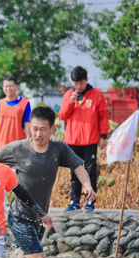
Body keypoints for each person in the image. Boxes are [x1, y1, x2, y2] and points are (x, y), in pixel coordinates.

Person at [0, 107, 97, 258]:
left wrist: (87, 185)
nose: (38, 134)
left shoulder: (58, 148)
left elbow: (78, 167)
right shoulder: (17, 149)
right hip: (19, 214)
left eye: (43, 129)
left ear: (52, 129)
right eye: (34, 129)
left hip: (40, 216)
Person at [58, 66, 109, 212]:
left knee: (91, 171)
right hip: (72, 141)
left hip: (90, 140)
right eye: (75, 84)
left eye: (80, 83)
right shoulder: (68, 95)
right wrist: (70, 103)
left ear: (86, 80)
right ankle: (74, 201)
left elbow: (104, 115)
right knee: (74, 172)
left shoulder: (97, 95)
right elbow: (62, 116)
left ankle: (90, 201)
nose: (78, 87)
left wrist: (103, 135)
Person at [0, 75, 31, 151]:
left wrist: (29, 143)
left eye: (11, 86)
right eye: (6, 86)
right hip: (1, 147)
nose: (8, 88)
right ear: (3, 88)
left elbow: (27, 124)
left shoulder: (25, 103)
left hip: (18, 147)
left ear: (16, 87)